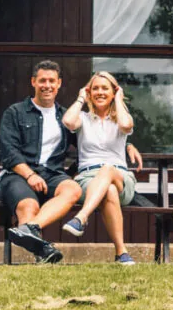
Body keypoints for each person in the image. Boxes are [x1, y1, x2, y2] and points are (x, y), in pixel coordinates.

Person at [0, 61, 81, 263]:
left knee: (73, 189)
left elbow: (91, 142)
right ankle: (41, 253)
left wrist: (126, 146)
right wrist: (30, 175)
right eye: (42, 80)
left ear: (59, 83)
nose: (47, 85)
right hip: (17, 175)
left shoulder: (65, 117)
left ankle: (28, 231)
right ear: (33, 82)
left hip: (52, 174)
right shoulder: (15, 113)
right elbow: (9, 152)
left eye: (52, 81)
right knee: (28, 207)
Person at [60, 71, 143, 265]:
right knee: (109, 190)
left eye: (105, 88)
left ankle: (81, 217)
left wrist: (120, 99)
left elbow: (125, 124)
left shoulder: (121, 118)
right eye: (95, 88)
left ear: (113, 92)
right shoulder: (83, 118)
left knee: (108, 171)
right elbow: (68, 121)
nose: (100, 92)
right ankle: (121, 252)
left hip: (120, 177)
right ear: (89, 92)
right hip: (88, 180)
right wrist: (81, 96)